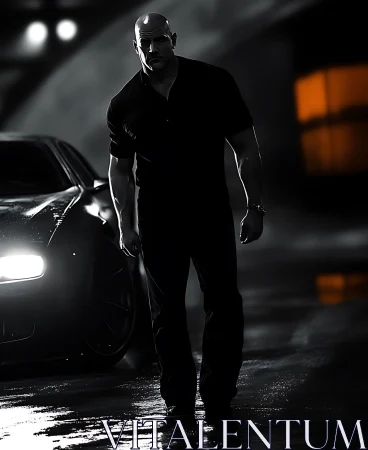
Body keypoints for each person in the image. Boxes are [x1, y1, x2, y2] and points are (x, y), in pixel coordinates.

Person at [106, 12, 264, 421]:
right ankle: (178, 402)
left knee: (223, 304)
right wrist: (126, 225)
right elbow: (119, 169)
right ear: (136, 47)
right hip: (158, 214)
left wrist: (254, 206)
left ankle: (218, 399)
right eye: (146, 43)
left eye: (160, 40)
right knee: (166, 312)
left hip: (209, 206)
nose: (154, 49)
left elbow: (245, 146)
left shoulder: (213, 82)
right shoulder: (124, 103)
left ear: (173, 39)